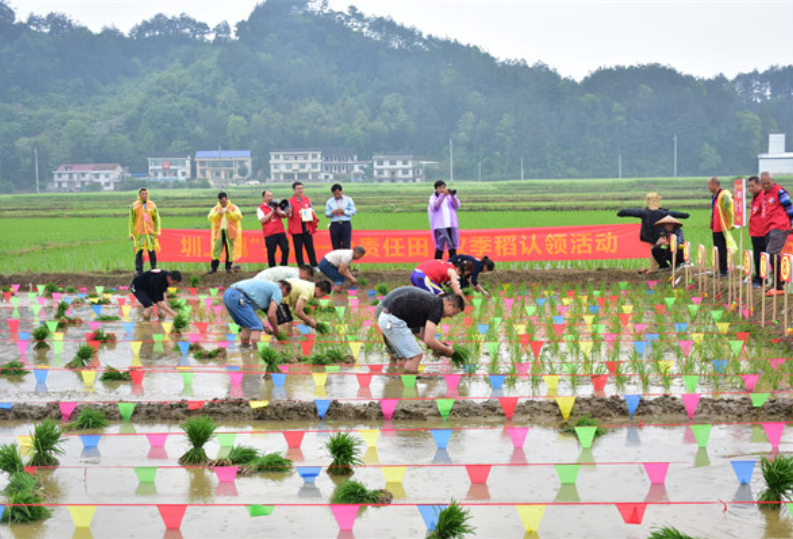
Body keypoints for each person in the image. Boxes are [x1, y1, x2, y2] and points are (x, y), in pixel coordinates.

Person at [378, 289, 465, 373]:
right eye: (453, 313)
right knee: (416, 356)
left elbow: (422, 334)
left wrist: (438, 347)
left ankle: (400, 383)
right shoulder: (437, 309)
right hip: (392, 321)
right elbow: (429, 340)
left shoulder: (433, 302)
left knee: (405, 356)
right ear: (450, 305)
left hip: (387, 319)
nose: (451, 317)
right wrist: (446, 350)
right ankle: (410, 386)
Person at [617, 192, 690, 274]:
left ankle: (655, 267)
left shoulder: (644, 212)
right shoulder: (662, 213)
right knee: (656, 250)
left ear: (647, 201)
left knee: (657, 250)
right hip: (659, 235)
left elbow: (631, 211)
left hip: (650, 235)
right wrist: (685, 215)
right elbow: (674, 213)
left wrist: (621, 213)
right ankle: (656, 267)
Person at [223, 278, 289, 345]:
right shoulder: (277, 290)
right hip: (238, 296)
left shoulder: (267, 288)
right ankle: (257, 353)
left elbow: (251, 311)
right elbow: (271, 315)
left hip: (228, 294)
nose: (280, 298)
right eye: (283, 295)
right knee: (256, 328)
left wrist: (263, 325)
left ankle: (245, 351)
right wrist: (276, 330)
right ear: (283, 288)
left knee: (247, 326)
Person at [760, 171, 793, 295]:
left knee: (772, 252)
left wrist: (791, 224)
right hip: (769, 227)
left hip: (780, 226)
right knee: (773, 254)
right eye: (763, 184)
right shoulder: (764, 194)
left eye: (768, 183)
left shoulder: (780, 192)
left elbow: (790, 208)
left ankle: (778, 284)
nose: (766, 186)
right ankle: (777, 283)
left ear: (772, 180)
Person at [207, 192, 243, 274]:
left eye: (224, 201)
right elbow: (210, 217)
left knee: (229, 250)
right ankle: (214, 268)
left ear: (227, 199)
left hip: (230, 232)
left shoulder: (233, 207)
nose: (223, 203)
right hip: (219, 232)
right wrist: (217, 214)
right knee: (216, 250)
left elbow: (239, 216)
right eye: (221, 202)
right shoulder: (216, 208)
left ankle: (228, 268)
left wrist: (229, 213)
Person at [286, 182, 319, 269]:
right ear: (294, 190)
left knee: (310, 248)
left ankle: (314, 265)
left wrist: (310, 212)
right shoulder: (290, 201)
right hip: (296, 229)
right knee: (298, 249)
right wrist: (289, 212)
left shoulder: (307, 200)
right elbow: (288, 215)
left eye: (301, 188)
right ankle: (301, 267)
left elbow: (313, 210)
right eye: (298, 189)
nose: (300, 190)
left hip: (307, 227)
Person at [129, 188, 161, 275]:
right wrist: (131, 233)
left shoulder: (152, 205)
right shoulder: (135, 205)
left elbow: (157, 218)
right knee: (139, 251)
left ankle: (153, 267)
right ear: (139, 195)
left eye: (146, 193)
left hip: (150, 232)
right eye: (142, 194)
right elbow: (131, 220)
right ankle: (139, 270)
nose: (144, 195)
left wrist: (157, 231)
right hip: (139, 232)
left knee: (152, 250)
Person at [708, 177, 735, 277]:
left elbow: (729, 210)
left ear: (715, 185)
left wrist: (730, 223)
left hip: (722, 227)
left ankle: (724, 271)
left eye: (709, 185)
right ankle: (719, 270)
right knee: (717, 249)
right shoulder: (714, 196)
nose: (708, 187)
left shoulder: (723, 196)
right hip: (716, 226)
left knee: (722, 249)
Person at [428, 180, 461, 259]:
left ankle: (453, 265)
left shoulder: (449, 197)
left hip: (451, 225)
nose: (442, 189)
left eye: (443, 187)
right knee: (440, 248)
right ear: (436, 189)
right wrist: (442, 196)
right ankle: (437, 266)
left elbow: (457, 205)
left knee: (452, 248)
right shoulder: (433, 198)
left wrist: (453, 196)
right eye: (440, 188)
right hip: (439, 226)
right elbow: (435, 206)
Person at [257, 190, 289, 268]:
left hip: (280, 231)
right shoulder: (260, 208)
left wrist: (278, 211)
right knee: (271, 252)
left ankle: (283, 266)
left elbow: (284, 216)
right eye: (268, 196)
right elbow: (262, 220)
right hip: (269, 234)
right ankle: (272, 268)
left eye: (271, 196)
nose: (270, 198)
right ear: (264, 197)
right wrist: (271, 212)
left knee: (285, 249)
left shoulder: (276, 205)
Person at [747, 176, 767, 288]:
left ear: (759, 185)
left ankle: (762, 279)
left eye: (753, 186)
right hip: (754, 232)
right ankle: (758, 276)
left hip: (761, 232)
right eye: (749, 186)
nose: (750, 189)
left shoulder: (762, 197)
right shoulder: (754, 197)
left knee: (761, 256)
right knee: (756, 256)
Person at [325, 183, 357, 250]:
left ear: (341, 191)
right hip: (334, 225)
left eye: (338, 193)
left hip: (345, 224)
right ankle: (337, 260)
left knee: (346, 244)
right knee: (336, 245)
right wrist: (332, 212)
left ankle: (346, 260)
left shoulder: (348, 199)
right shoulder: (329, 201)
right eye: (334, 194)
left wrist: (344, 212)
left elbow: (354, 211)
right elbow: (326, 214)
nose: (336, 195)